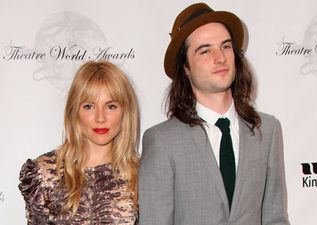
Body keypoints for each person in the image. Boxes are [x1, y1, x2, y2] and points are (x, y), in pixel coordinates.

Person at [139, 2, 290, 225]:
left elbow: (275, 219)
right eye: (205, 50)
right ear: (185, 67)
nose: (220, 57)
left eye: (226, 46)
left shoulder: (267, 130)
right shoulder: (162, 141)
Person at [19, 61, 139, 224]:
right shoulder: (45, 174)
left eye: (110, 106)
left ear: (125, 111)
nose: (100, 118)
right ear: (74, 110)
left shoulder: (141, 175)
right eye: (89, 106)